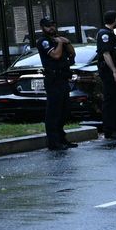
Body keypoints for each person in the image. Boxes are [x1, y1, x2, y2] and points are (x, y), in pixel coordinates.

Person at [35, 17, 78, 150]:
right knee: (54, 112)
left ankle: (62, 138)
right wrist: (60, 43)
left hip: (63, 78)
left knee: (64, 111)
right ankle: (54, 142)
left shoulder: (59, 38)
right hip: (53, 79)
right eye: (48, 26)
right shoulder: (43, 41)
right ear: (43, 27)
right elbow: (55, 55)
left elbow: (72, 53)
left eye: (53, 25)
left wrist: (67, 41)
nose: (52, 28)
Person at [95, 11, 116, 140]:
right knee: (110, 101)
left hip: (114, 71)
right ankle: (110, 131)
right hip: (109, 72)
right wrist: (114, 71)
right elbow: (106, 54)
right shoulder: (104, 34)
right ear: (115, 20)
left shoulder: (110, 34)